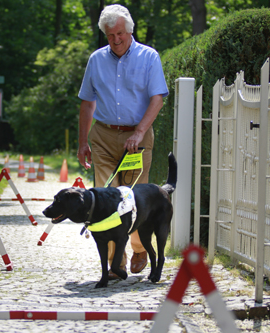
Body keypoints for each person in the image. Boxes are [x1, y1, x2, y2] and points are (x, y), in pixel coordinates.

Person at [77, 4, 169, 279]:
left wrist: (140, 132)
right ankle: (116, 260)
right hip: (103, 136)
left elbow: (157, 99)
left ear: (129, 31)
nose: (115, 40)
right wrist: (83, 142)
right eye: (110, 35)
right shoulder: (96, 60)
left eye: (119, 34)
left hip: (136, 137)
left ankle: (140, 249)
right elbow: (87, 103)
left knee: (136, 197)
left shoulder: (149, 57)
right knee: (107, 198)